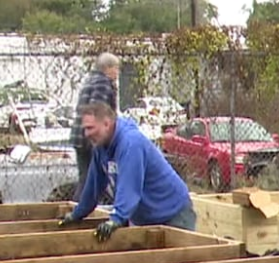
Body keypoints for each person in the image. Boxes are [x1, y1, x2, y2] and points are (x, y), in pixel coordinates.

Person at [58, 102, 196, 241]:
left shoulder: (131, 143)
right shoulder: (100, 147)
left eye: (90, 128)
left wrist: (116, 219)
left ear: (106, 124)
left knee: (175, 255)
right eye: (85, 129)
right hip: (147, 218)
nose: (86, 134)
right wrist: (77, 214)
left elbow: (129, 187)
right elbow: (93, 187)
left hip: (173, 214)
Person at [69, 53, 120, 203]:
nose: (117, 73)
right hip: (92, 139)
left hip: (79, 136)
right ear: (108, 68)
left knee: (85, 178)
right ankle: (83, 210)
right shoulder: (103, 83)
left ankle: (79, 208)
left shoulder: (90, 80)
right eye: (116, 68)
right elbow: (98, 111)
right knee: (92, 181)